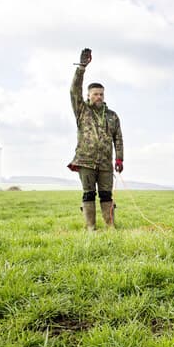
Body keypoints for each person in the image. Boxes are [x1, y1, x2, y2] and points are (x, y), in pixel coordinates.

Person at [67, 48, 124, 231]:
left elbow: (119, 138)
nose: (99, 97)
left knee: (107, 195)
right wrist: (81, 68)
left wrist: (119, 158)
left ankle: (110, 226)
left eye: (101, 94)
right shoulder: (82, 110)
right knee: (89, 194)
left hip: (105, 163)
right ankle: (91, 228)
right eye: (95, 94)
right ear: (88, 95)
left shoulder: (112, 116)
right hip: (86, 160)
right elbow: (73, 89)